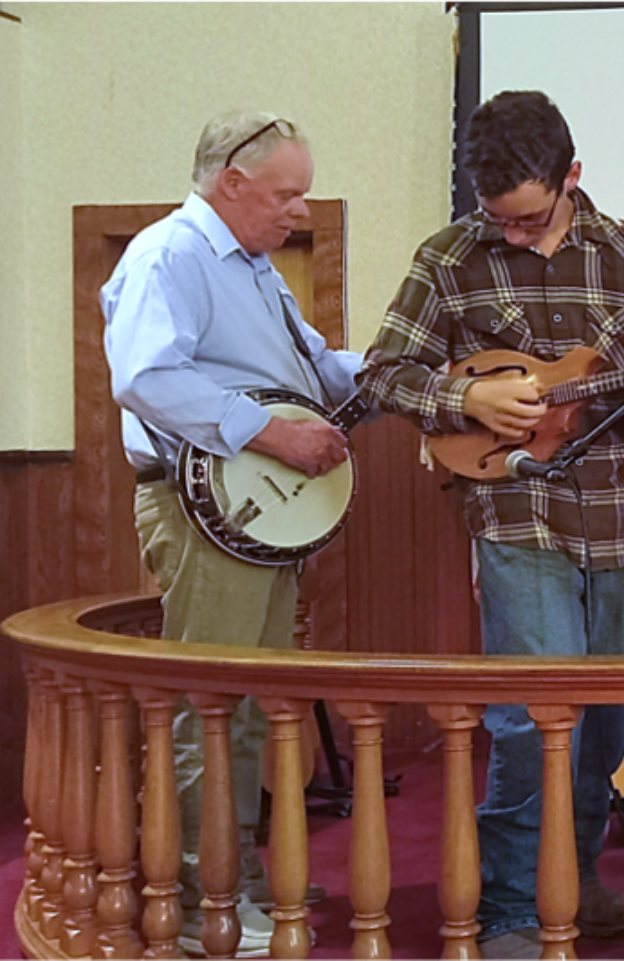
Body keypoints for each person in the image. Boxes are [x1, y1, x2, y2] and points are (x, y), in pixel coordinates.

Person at [358, 90, 624, 959]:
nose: (514, 235)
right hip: (513, 509)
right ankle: (506, 908)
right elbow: (384, 372)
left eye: (529, 220)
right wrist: (466, 395)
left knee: (606, 722)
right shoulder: (449, 255)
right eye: (500, 220)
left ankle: (571, 880)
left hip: (617, 511)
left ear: (571, 177)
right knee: (533, 716)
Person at [103, 110, 353, 957]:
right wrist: (270, 433)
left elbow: (318, 367)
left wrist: (411, 370)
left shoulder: (256, 269)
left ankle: (235, 873)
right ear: (232, 181)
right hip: (207, 511)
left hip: (257, 519)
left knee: (244, 710)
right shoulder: (168, 255)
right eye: (286, 194)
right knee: (207, 707)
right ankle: (194, 898)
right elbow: (144, 376)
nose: (298, 211)